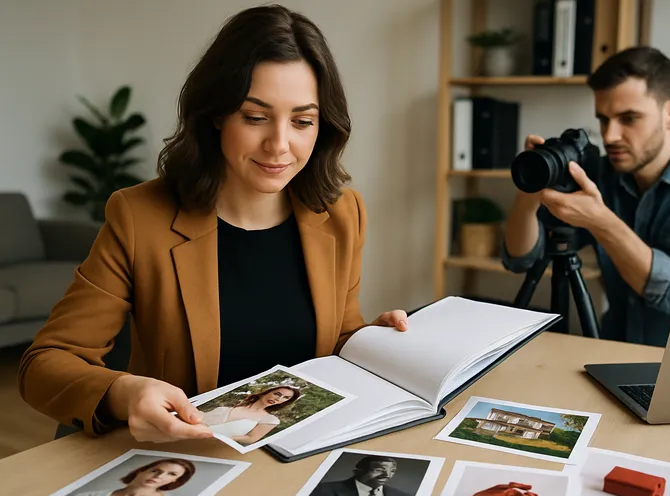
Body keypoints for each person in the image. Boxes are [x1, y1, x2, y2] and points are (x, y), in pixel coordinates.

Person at [18, 4, 410, 444]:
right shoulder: (139, 217)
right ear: (216, 114)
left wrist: (368, 343)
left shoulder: (342, 212)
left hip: (302, 454)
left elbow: (335, 337)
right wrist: (124, 391)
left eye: (302, 121)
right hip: (192, 459)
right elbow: (45, 363)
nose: (280, 145)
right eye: (255, 116)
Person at [502, 46, 670, 347]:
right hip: (615, 352)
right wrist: (529, 195)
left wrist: (603, 223)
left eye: (628, 119)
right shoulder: (603, 175)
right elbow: (521, 259)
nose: (610, 136)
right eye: (603, 119)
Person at [69, 458, 194, 496]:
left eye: (171, 474)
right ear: (141, 470)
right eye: (155, 471)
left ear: (175, 481)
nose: (159, 477)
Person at [305, 455, 412, 496]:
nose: (387, 475)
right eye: (379, 470)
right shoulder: (324, 490)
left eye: (392, 471)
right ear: (359, 471)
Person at [199, 386, 299, 445]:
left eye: (285, 398)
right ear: (266, 392)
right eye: (277, 393)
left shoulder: (270, 419)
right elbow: (204, 416)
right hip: (193, 431)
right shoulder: (233, 404)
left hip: (216, 444)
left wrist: (223, 438)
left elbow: (251, 438)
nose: (279, 398)